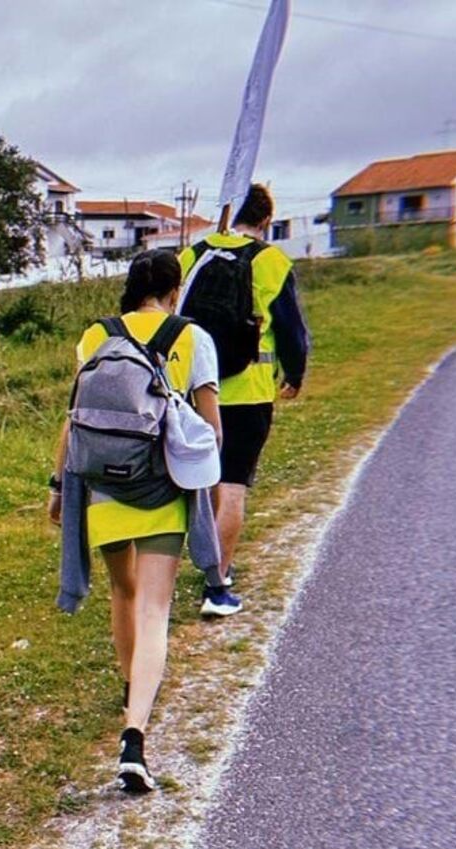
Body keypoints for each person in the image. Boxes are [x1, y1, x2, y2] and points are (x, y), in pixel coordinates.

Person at [49, 250, 220, 792]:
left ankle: (132, 689)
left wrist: (58, 487)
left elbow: (74, 419)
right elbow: (212, 430)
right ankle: (135, 732)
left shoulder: (95, 337)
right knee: (154, 610)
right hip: (162, 489)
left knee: (122, 595)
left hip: (102, 487)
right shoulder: (192, 337)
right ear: (173, 292)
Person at [179, 183, 309, 617]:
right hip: (248, 393)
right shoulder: (272, 261)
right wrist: (294, 374)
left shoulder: (193, 254)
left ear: (229, 212)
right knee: (233, 485)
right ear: (267, 220)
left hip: (195, 391)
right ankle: (217, 587)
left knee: (209, 480)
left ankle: (211, 564)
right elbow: (291, 331)